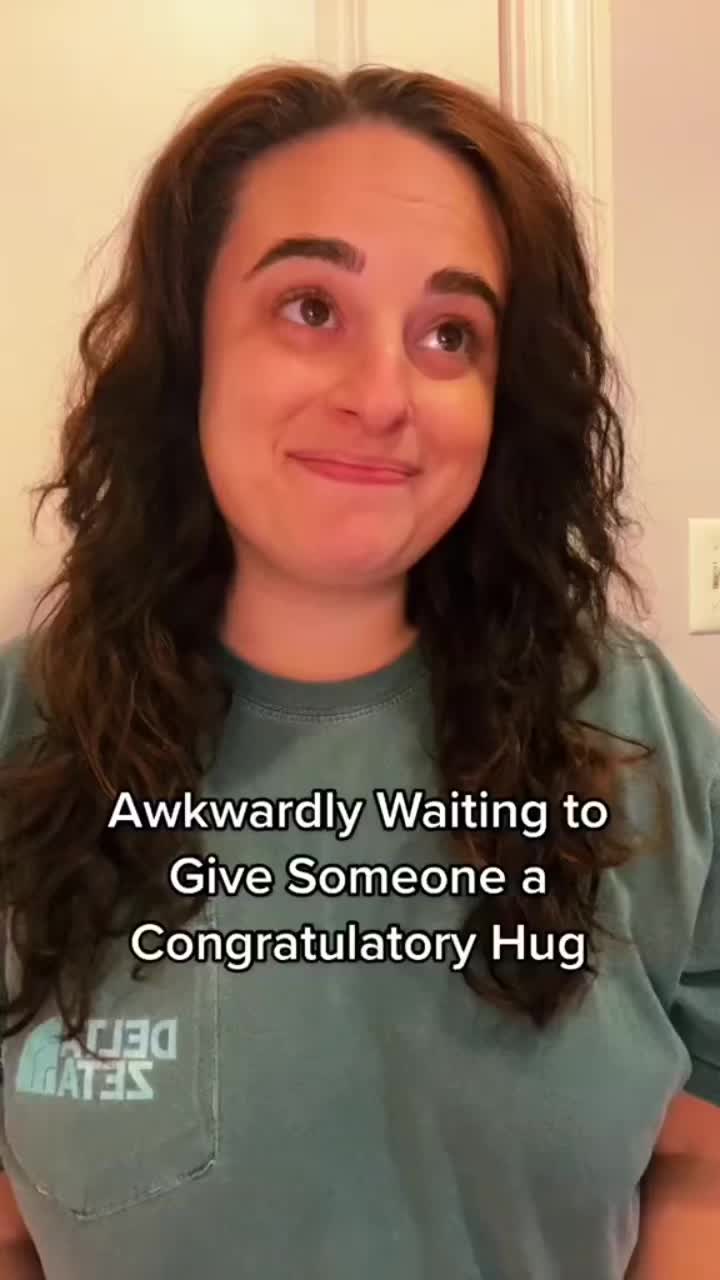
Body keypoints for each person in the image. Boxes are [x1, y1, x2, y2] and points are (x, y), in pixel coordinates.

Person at [0, 60, 718, 1280]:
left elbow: (698, 1147)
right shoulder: (28, 735)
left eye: (451, 333)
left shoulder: (630, 722)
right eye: (310, 307)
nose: (383, 396)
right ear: (189, 350)